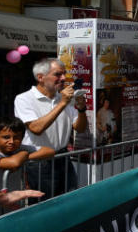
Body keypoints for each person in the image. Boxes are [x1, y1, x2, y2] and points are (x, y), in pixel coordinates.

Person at [14, 58, 88, 198]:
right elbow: (36, 128)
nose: (63, 78)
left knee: (69, 199)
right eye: (57, 74)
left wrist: (82, 109)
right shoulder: (24, 99)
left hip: (63, 156)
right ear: (40, 77)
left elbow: (80, 128)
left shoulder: (64, 98)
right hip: (39, 163)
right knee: (44, 205)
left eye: (64, 74)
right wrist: (62, 103)